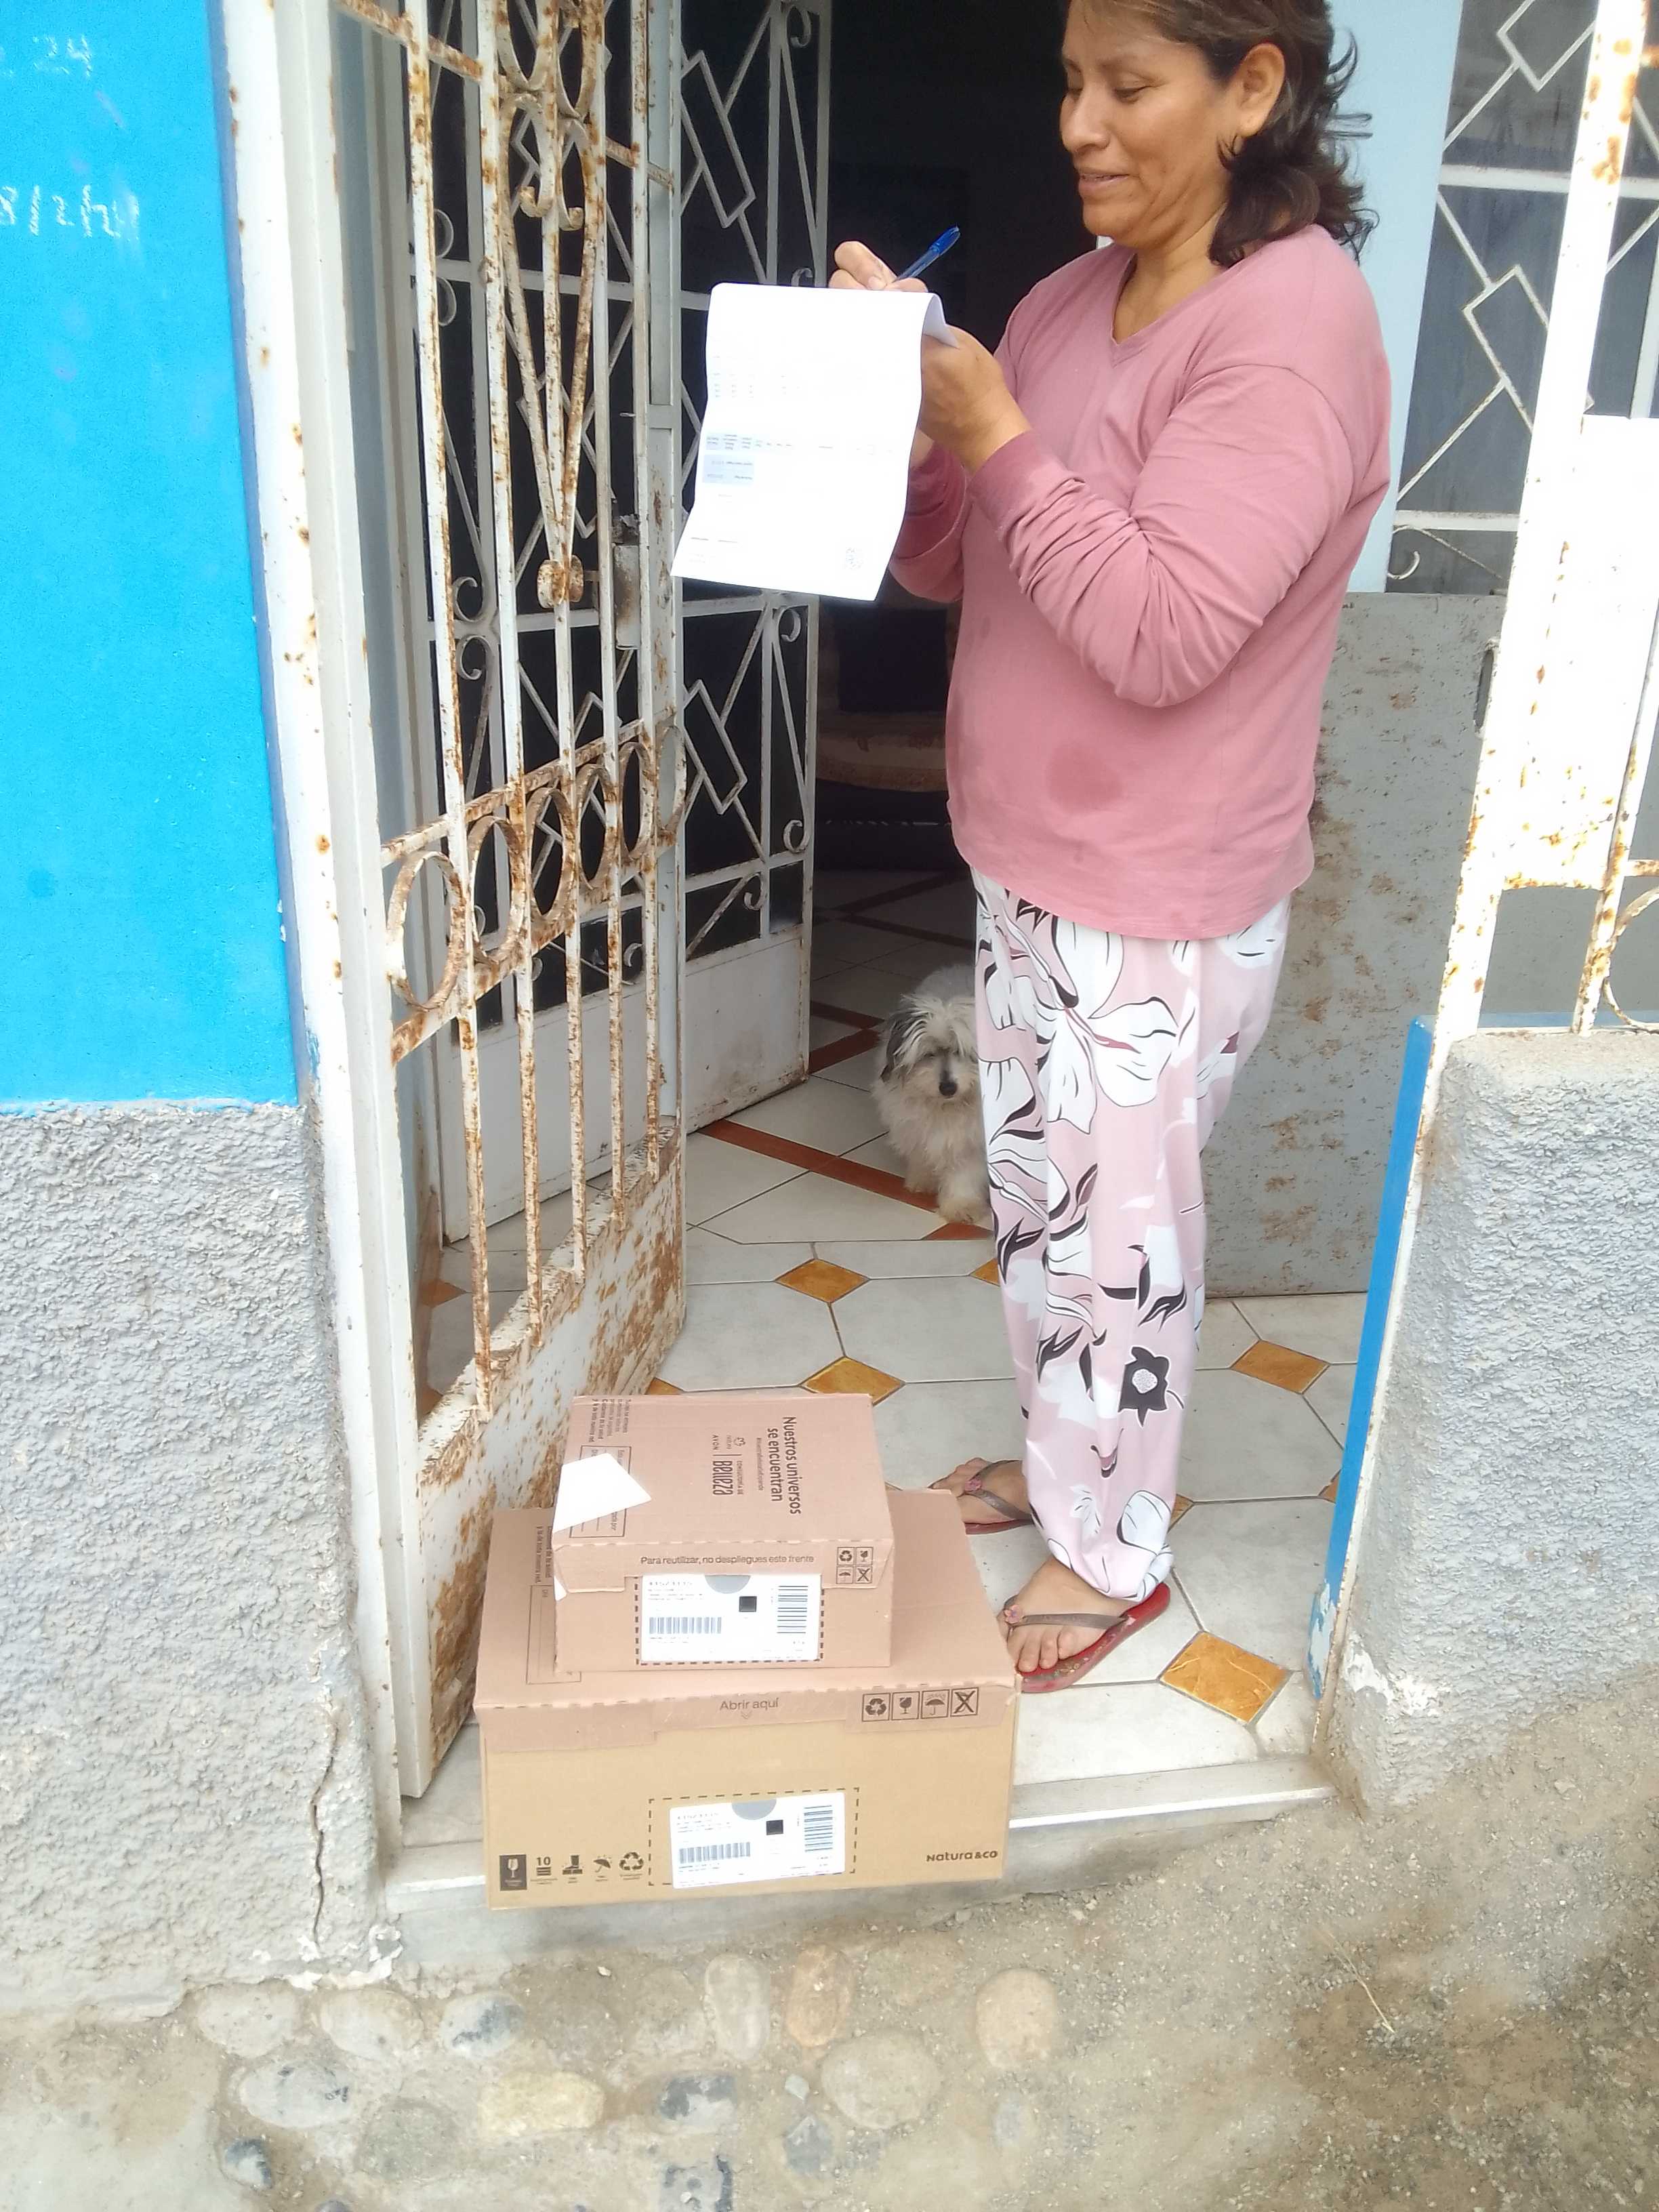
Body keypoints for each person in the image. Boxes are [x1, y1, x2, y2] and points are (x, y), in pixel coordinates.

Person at [832, 0, 1390, 1691]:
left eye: (1128, 85)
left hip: (1156, 890)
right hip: (1029, 858)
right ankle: (1070, 1468)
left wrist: (996, 433)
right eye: (1071, 81)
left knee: (1118, 1251)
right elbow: (962, 561)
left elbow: (1161, 632)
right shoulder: (1065, 304)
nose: (1080, 122)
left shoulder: (1293, 325)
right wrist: (919, 443)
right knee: (1040, 1213)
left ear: (1252, 89)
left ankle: (1112, 1553)